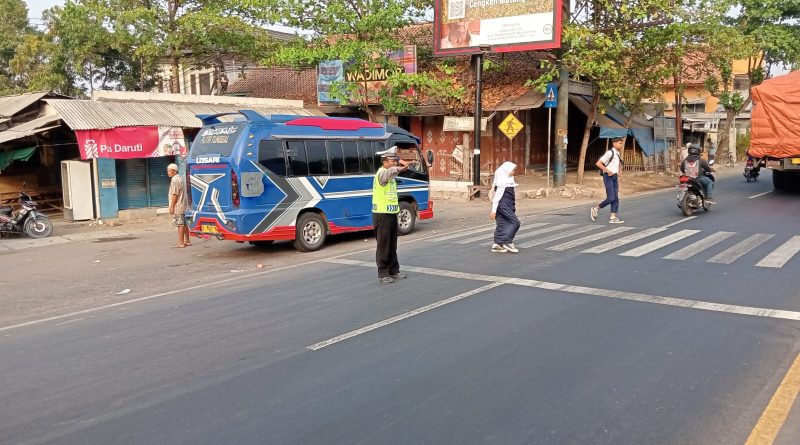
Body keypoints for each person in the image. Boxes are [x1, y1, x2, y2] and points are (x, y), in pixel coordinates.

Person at [372, 146, 409, 284]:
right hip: (382, 214)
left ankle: (394, 270)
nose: (394, 163)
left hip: (391, 213)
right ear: (384, 162)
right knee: (383, 245)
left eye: (395, 160)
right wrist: (400, 166)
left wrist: (402, 164)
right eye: (392, 161)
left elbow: (395, 171)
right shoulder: (382, 174)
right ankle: (382, 273)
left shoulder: (391, 176)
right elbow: (391, 171)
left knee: (392, 244)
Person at [590, 137, 625, 224]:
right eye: (619, 143)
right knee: (611, 198)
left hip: (615, 176)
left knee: (616, 198)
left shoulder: (617, 153)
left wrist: (620, 170)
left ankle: (613, 217)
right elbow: (598, 163)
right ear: (614, 143)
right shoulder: (610, 153)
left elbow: (619, 163)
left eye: (621, 143)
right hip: (608, 177)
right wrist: (608, 171)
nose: (621, 145)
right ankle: (596, 208)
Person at [489, 162, 521, 253]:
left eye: (514, 170)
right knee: (515, 222)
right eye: (513, 170)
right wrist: (493, 211)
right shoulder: (502, 182)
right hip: (503, 205)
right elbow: (497, 198)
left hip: (508, 204)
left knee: (502, 223)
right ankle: (507, 241)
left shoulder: (507, 178)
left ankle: (497, 244)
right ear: (506, 170)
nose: (514, 172)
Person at [167, 163, 191, 248]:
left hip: (178, 206)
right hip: (183, 205)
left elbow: (175, 194)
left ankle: (181, 243)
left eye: (169, 171)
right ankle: (187, 241)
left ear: (174, 171)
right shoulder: (180, 179)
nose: (168, 172)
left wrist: (172, 206)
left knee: (180, 224)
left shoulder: (175, 180)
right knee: (184, 223)